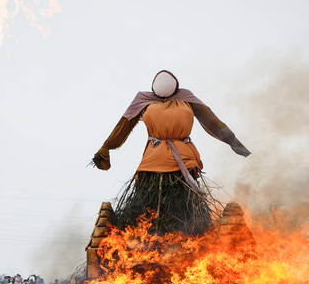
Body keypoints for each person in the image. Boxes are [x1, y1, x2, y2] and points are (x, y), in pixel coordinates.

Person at [92, 70, 250, 236]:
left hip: (173, 160)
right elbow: (123, 125)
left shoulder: (186, 99)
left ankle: (186, 238)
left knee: (173, 205)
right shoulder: (145, 101)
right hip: (161, 160)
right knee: (160, 207)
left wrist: (233, 141)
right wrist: (107, 147)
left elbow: (212, 121)